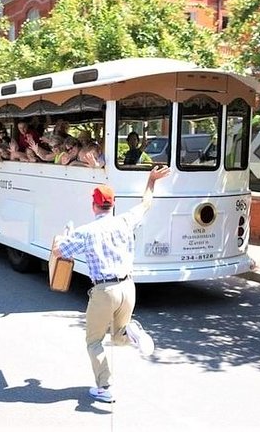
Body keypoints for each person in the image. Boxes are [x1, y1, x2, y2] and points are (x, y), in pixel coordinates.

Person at [52, 164, 171, 404]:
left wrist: (65, 235)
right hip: (129, 287)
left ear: (93, 205)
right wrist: (151, 180)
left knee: (94, 340)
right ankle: (132, 332)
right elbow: (146, 203)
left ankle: (104, 387)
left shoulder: (86, 232)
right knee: (118, 337)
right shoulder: (125, 220)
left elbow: (59, 251)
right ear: (113, 204)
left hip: (105, 290)